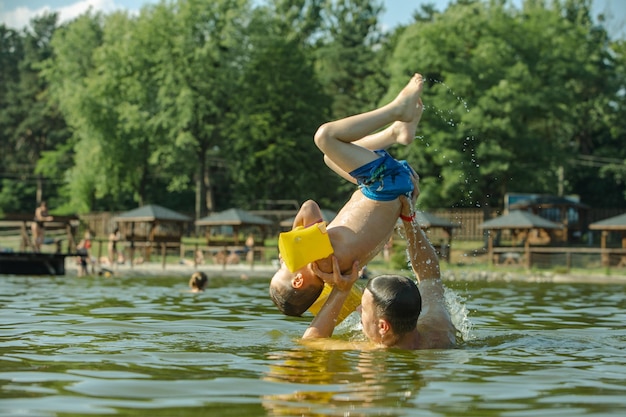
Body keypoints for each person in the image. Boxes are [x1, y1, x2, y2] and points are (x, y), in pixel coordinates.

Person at [269, 73, 425, 317]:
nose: (283, 259)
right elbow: (309, 207)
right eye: (282, 266)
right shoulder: (318, 259)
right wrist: (295, 235)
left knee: (331, 158)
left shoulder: (336, 273)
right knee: (325, 138)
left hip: (393, 190)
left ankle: (395, 134)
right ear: (298, 280)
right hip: (384, 184)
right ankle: (397, 110)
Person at [302, 194, 457, 350]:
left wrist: (342, 290)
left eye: (363, 308)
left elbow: (310, 342)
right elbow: (429, 275)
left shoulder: (373, 348)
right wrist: (409, 219)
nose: (358, 310)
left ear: (383, 327)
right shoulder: (439, 328)